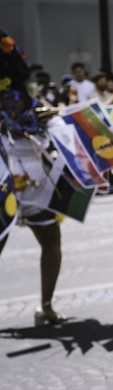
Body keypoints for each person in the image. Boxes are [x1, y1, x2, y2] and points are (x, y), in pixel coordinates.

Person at [0, 30, 66, 325]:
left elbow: (42, 121)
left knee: (50, 239)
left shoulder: (25, 100)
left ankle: (47, 307)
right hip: (18, 172)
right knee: (50, 240)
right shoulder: (23, 97)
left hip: (25, 172)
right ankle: (46, 307)